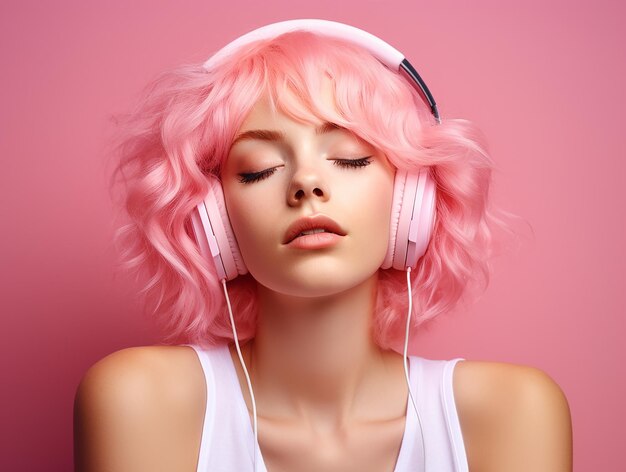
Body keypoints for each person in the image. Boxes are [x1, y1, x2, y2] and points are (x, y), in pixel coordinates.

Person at [74, 20, 572, 472]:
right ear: (215, 220)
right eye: (258, 169)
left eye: (350, 158)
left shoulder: (514, 413)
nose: (306, 183)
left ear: (411, 200)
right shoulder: (140, 402)